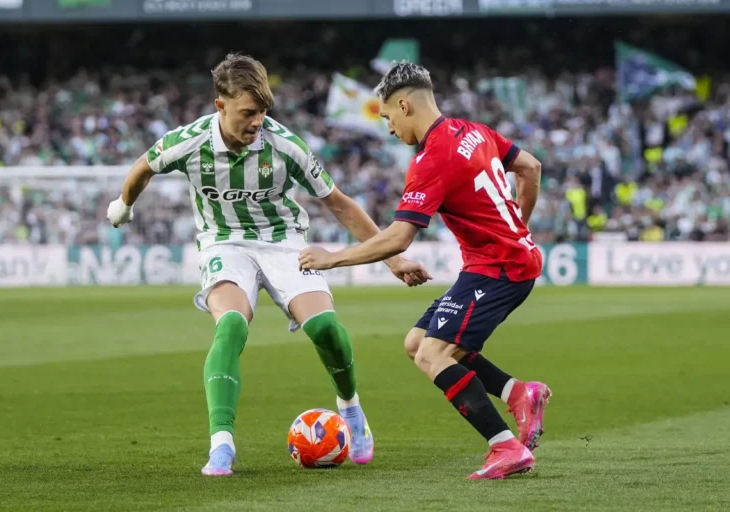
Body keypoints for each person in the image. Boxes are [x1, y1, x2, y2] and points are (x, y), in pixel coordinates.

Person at [105, 54, 430, 476]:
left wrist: (393, 260)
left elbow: (339, 204)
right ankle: (221, 444)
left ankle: (350, 407)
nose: (257, 121)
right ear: (220, 105)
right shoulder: (187, 142)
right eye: (247, 112)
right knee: (232, 325)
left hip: (284, 243)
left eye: (262, 111)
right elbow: (141, 169)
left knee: (325, 327)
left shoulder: (285, 145)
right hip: (224, 243)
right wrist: (123, 205)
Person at [298, 62, 551, 480]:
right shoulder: (474, 130)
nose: (389, 129)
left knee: (434, 354)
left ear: (404, 105)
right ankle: (518, 392)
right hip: (503, 260)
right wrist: (518, 227)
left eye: (387, 118)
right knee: (418, 343)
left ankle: (505, 447)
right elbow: (532, 168)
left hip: (499, 268)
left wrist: (333, 258)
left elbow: (399, 237)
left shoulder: (432, 158)